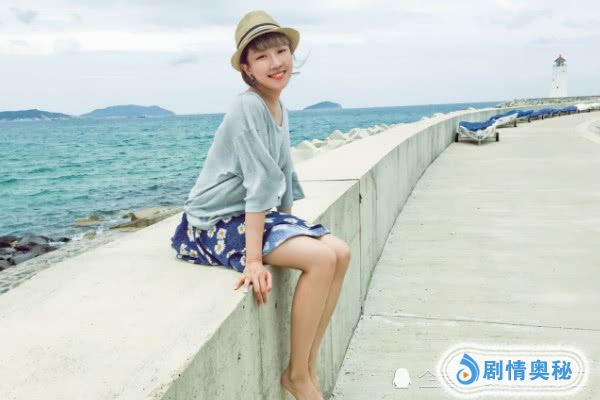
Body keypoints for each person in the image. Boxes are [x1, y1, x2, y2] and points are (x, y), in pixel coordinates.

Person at [169, 10, 351, 400]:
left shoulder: (278, 107)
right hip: (210, 223)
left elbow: (282, 175)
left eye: (281, 51)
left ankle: (306, 367)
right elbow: (258, 184)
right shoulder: (247, 106)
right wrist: (254, 260)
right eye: (262, 56)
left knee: (340, 252)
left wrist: (290, 227)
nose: (276, 62)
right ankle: (297, 375)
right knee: (321, 259)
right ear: (247, 69)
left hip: (249, 214)